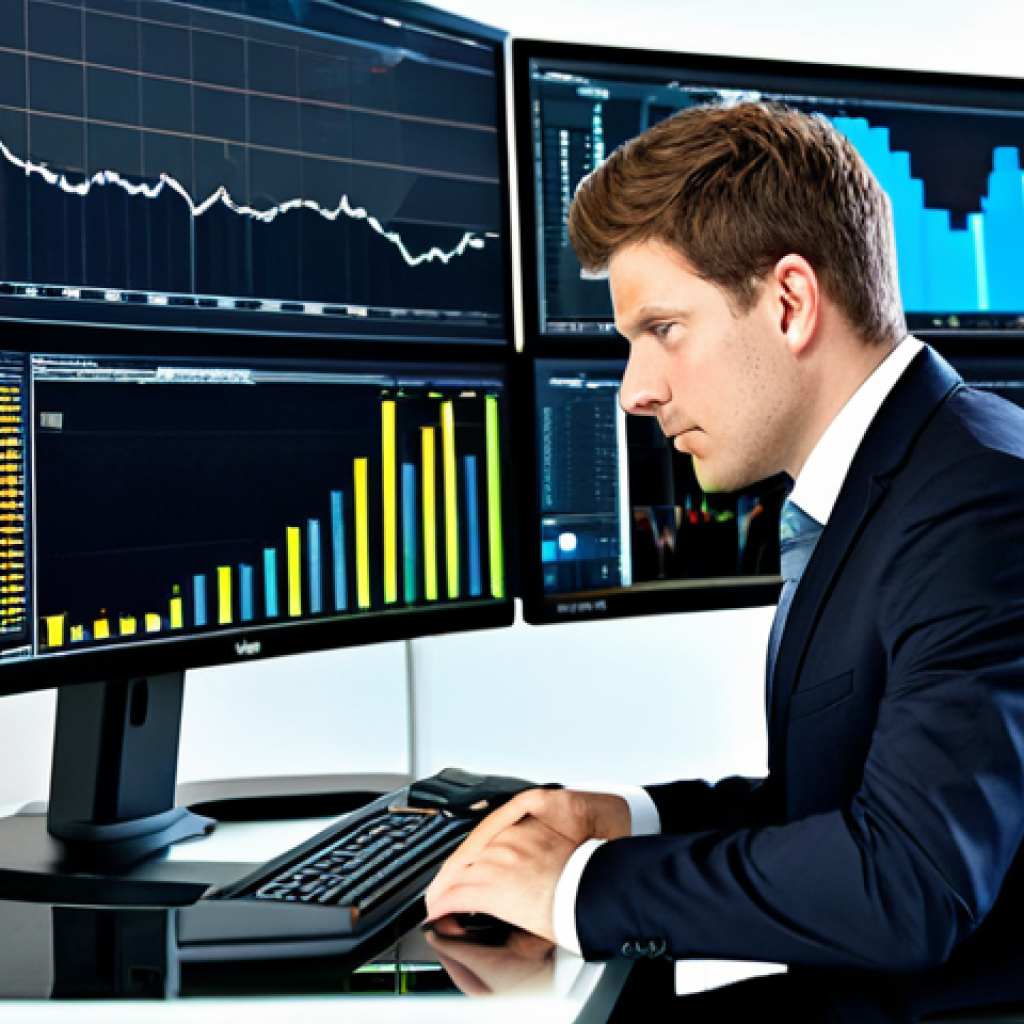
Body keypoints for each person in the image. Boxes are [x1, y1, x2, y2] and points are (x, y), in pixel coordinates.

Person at [425, 102, 1024, 1020]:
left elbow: (908, 884)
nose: (637, 390)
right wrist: (626, 819)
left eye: (663, 329)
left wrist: (575, 889)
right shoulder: (906, 476)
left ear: (790, 302)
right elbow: (847, 800)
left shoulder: (977, 502)